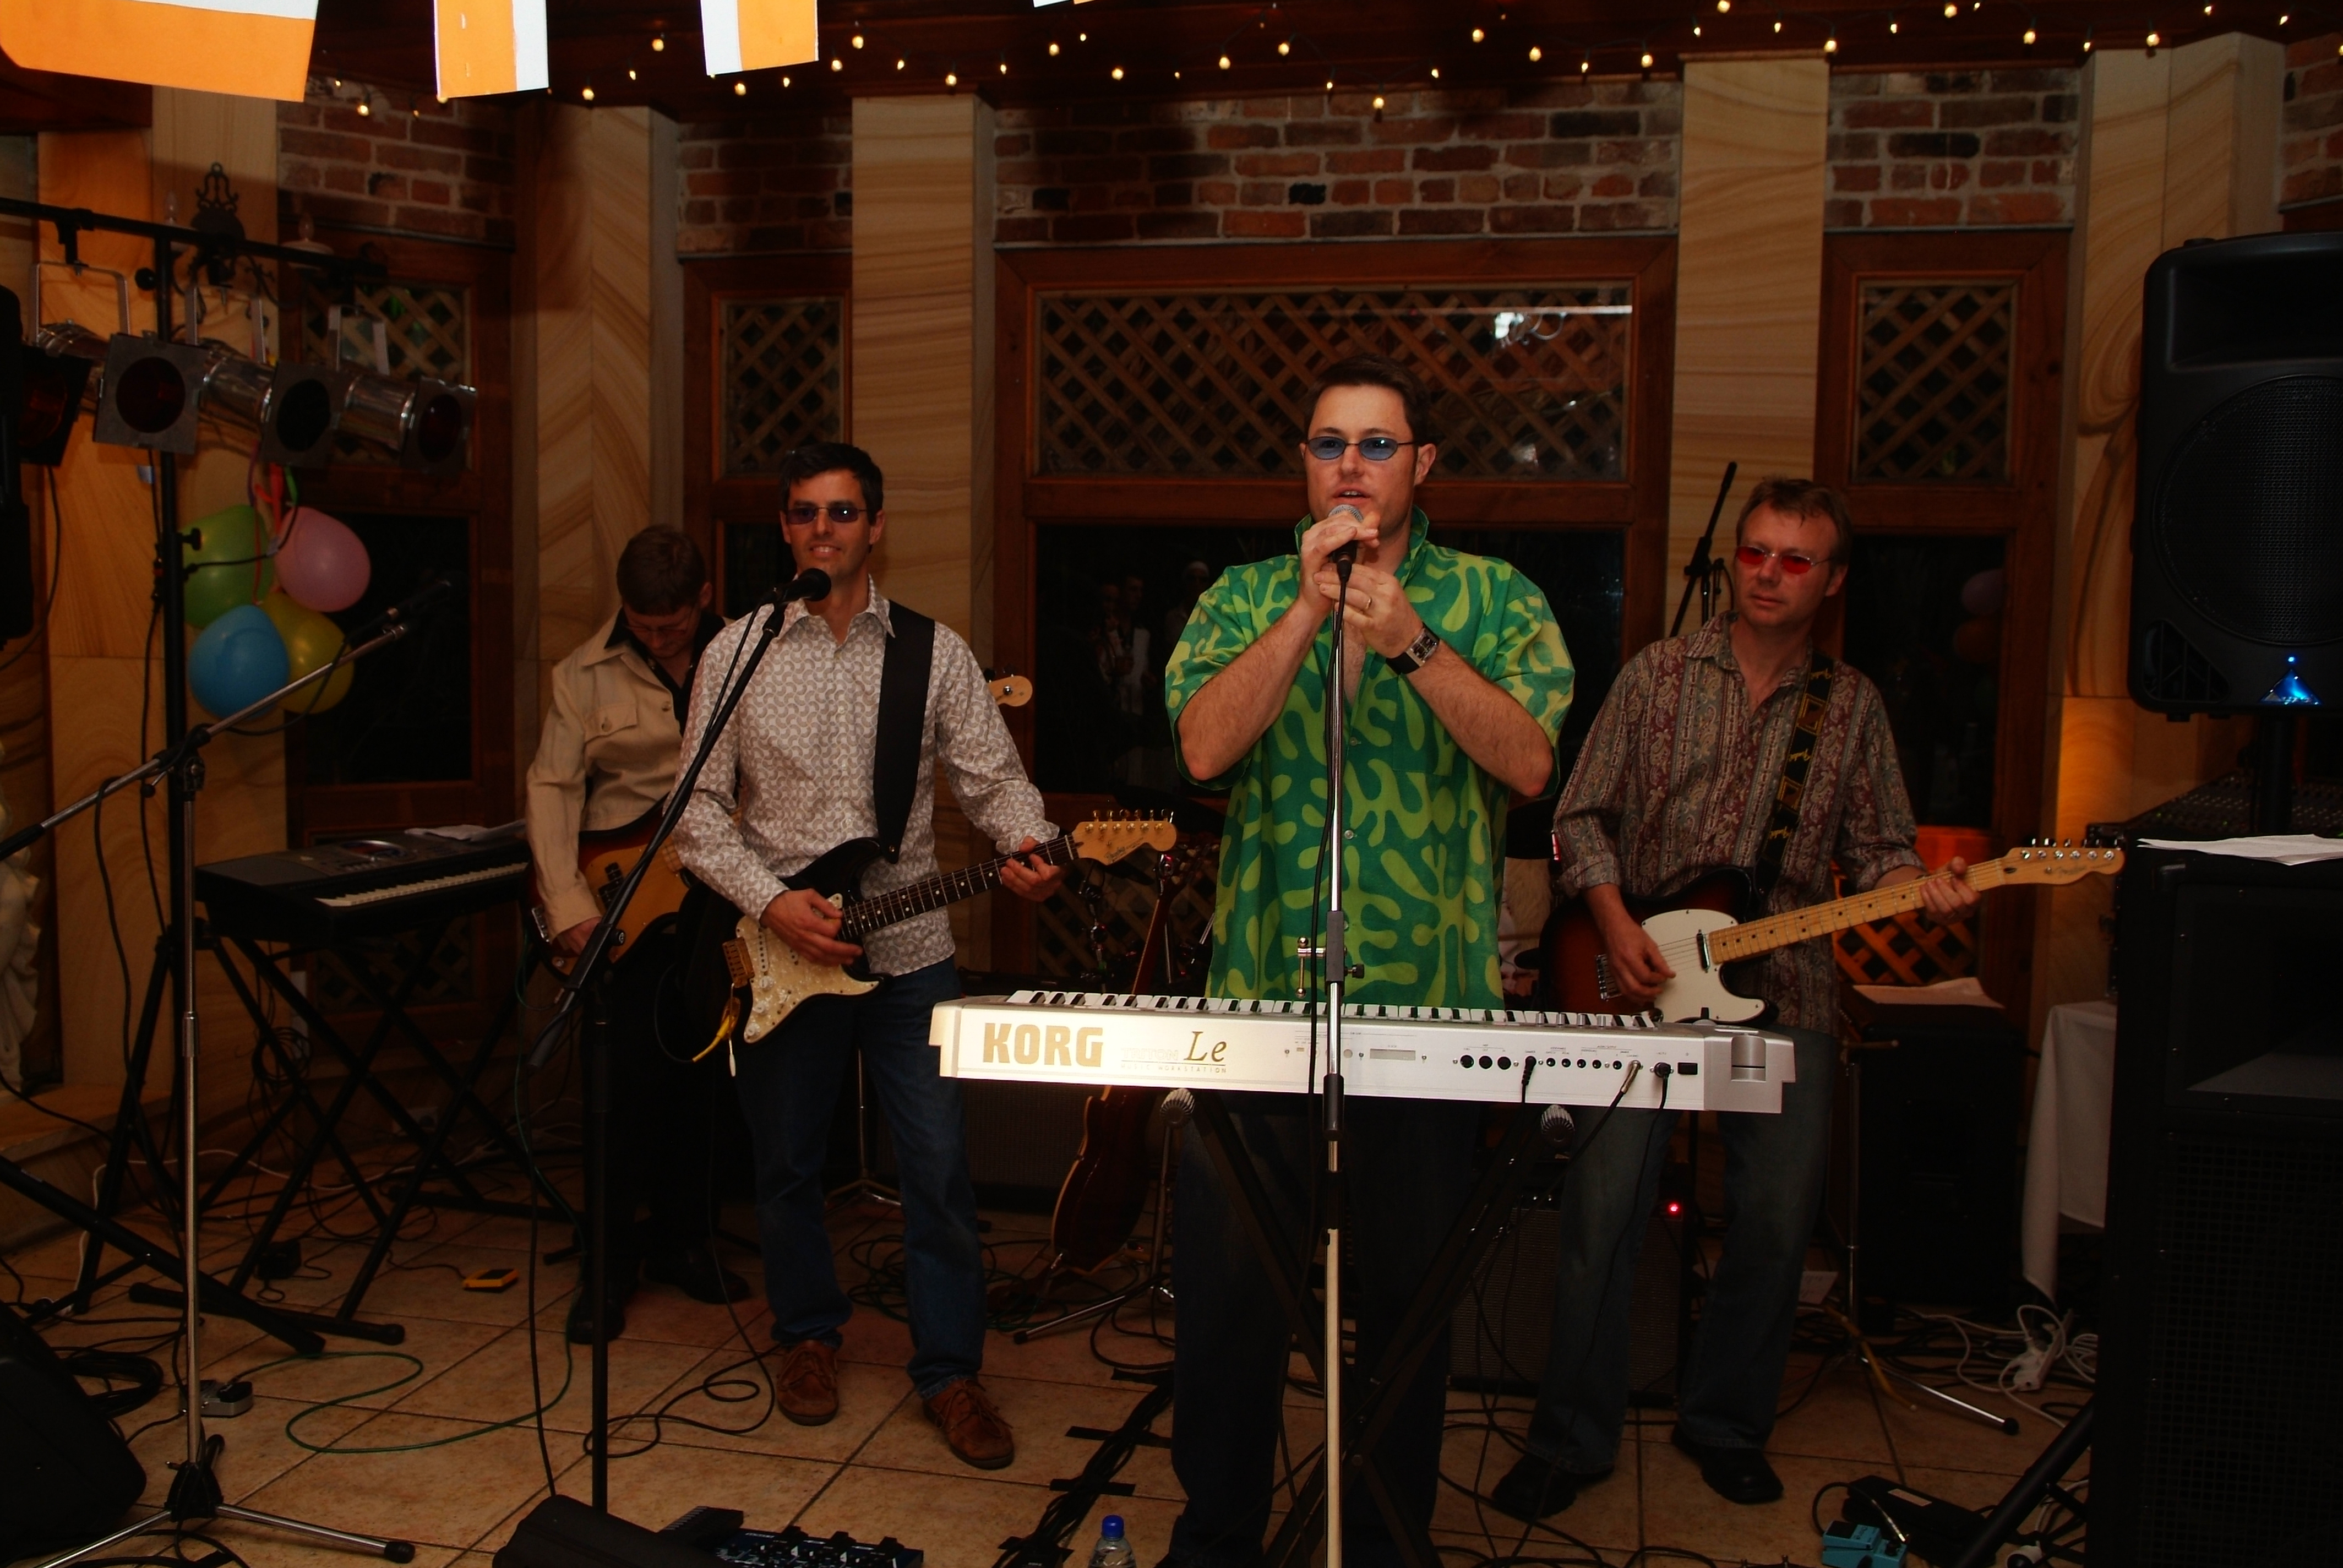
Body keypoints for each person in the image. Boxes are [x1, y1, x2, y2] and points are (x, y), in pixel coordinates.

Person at [1495, 477, 1979, 1520]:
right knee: (1600, 1211)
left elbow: (1882, 851)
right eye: (1755, 552)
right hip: (1632, 975)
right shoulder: (1659, 675)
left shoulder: (1849, 706)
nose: (1768, 573)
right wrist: (1615, 926)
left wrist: (1922, 885)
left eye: (1795, 559)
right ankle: (1569, 1437)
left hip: (1785, 986)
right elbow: (1580, 818)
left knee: (1773, 1220)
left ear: (1832, 580)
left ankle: (1724, 1425)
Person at [1161, 353, 1575, 1568]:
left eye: (1377, 444)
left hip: (1425, 1011)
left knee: (1403, 1300)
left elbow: (1531, 765)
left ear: (1422, 464)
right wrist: (1304, 613)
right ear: (1305, 462)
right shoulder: (1242, 596)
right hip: (1259, 1004)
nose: (1351, 465)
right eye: (1329, 444)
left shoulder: (1498, 598)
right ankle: (1219, 1535)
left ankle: (1388, 1537)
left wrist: (1412, 640)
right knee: (1232, 1294)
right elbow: (1200, 751)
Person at [672, 440, 1067, 1471]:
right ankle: (807, 1336)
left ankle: (951, 1373)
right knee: (788, 1164)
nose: (823, 530)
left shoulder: (932, 653)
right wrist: (773, 902)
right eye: (805, 513)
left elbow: (993, 782)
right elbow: (696, 815)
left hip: (911, 950)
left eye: (842, 512)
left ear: (876, 526)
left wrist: (1029, 844)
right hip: (784, 950)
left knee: (937, 1167)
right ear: (784, 527)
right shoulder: (738, 651)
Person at [524, 525, 748, 1342]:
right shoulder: (581, 674)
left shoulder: (751, 655)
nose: (657, 638)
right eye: (642, 625)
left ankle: (687, 1242)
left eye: (672, 625)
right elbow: (552, 788)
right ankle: (609, 1264)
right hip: (622, 898)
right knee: (619, 1091)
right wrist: (569, 907)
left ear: (703, 599)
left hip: (722, 897)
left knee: (704, 1080)